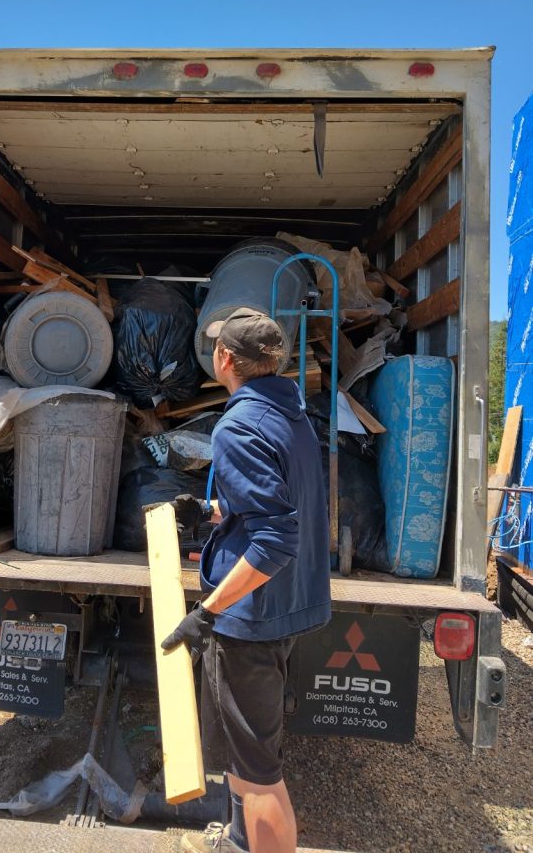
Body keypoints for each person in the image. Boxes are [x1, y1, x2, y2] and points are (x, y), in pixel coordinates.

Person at [162, 307, 331, 853]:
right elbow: (280, 508)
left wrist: (207, 610)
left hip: (250, 622)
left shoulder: (238, 425)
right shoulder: (294, 416)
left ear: (225, 359)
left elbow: (275, 540)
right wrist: (213, 511)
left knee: (260, 773)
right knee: (246, 756)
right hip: (282, 610)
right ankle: (238, 841)